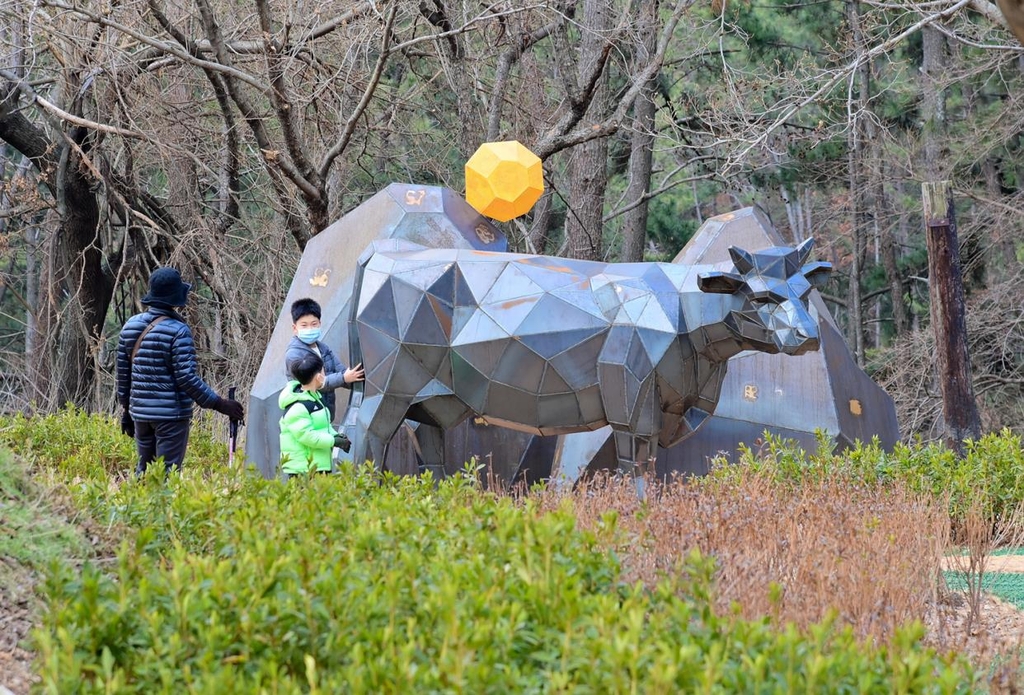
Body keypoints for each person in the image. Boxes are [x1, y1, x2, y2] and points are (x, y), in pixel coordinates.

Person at [116, 267, 245, 476]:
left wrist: (126, 411)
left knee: (144, 473)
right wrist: (220, 404)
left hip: (140, 415)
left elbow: (123, 376)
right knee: (168, 475)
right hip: (171, 417)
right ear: (176, 297)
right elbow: (186, 378)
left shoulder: (130, 326)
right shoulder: (179, 330)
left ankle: (140, 508)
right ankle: (163, 510)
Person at [284, 297, 364, 423]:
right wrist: (343, 378)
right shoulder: (293, 355)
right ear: (295, 328)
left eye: (314, 324)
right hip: (307, 415)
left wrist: (356, 378)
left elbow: (342, 371)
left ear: (320, 324)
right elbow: (314, 383)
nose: (310, 329)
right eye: (304, 325)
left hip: (324, 414)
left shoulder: (323, 348)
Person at [279, 352, 351, 478]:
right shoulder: (298, 407)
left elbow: (322, 426)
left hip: (319, 464)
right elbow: (308, 436)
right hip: (304, 469)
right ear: (318, 377)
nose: (325, 373)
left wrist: (336, 436)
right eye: (323, 371)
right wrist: (334, 441)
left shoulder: (314, 397)